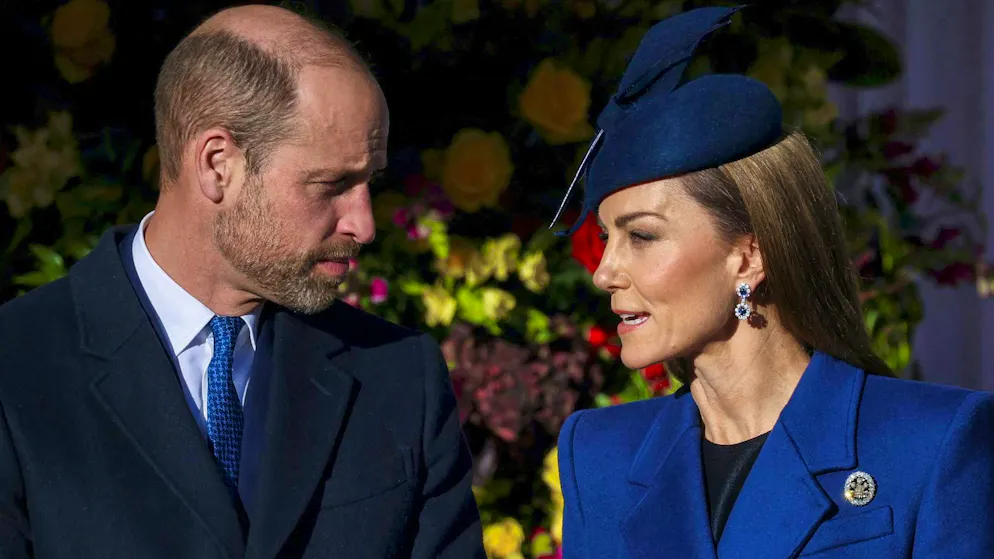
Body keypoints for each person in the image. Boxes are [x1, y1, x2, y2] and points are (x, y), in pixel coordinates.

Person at [0, 5, 484, 558]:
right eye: (330, 184)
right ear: (216, 165)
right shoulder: (16, 367)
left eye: (369, 181)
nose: (364, 224)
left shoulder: (399, 376)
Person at [551, 6, 994, 558]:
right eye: (606, 238)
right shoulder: (600, 456)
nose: (603, 272)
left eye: (641, 236)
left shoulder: (931, 443)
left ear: (750, 256)